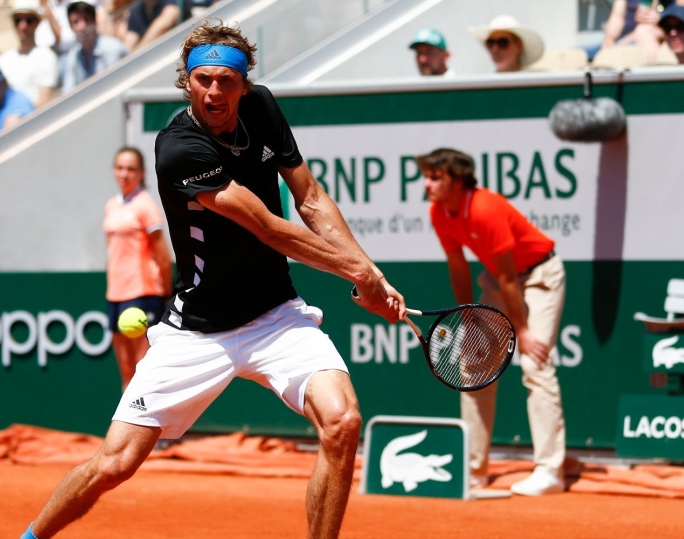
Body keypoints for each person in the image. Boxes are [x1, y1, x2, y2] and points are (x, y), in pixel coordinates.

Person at [21, 19, 406, 539]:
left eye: (227, 80)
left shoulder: (263, 108)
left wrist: (373, 277)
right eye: (203, 80)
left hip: (276, 316)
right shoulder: (179, 148)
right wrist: (360, 273)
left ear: (245, 84)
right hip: (197, 330)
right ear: (187, 83)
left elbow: (310, 197)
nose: (215, 91)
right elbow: (269, 228)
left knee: (343, 422)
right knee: (114, 465)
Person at [416, 148, 566, 497]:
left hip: (540, 277)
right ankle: (473, 471)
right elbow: (458, 265)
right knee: (473, 366)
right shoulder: (439, 211)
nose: (427, 183)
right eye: (426, 176)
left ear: (457, 180)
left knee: (536, 364)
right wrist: (466, 314)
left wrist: (523, 330)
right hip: (499, 281)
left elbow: (511, 277)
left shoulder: (486, 208)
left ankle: (550, 471)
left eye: (435, 177)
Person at [103, 147, 173, 389]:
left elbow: (163, 256)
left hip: (143, 293)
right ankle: (126, 427)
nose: (125, 174)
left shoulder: (146, 205)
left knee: (144, 372)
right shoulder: (111, 205)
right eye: (120, 168)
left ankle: (160, 427)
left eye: (131, 169)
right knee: (126, 373)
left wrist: (165, 295)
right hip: (115, 294)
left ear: (142, 173)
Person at [0, 0, 60, 107]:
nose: (23, 26)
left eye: (29, 20)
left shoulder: (46, 56)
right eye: (17, 20)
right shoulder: (3, 60)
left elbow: (44, 102)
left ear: (37, 23)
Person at [60, 0, 128, 92]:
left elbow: (116, 88)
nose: (82, 27)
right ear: (71, 27)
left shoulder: (113, 49)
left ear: (94, 22)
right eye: (76, 22)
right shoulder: (73, 56)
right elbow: (68, 92)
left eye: (86, 20)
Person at [469, 14, 545, 73]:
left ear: (518, 46)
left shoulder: (533, 84)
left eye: (502, 42)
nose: (495, 49)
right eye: (490, 43)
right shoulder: (484, 86)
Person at [123, 0, 189, 51]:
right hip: (149, 60)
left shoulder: (172, 1)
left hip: (177, 49)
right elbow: (129, 43)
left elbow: (166, 22)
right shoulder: (136, 10)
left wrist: (140, 50)